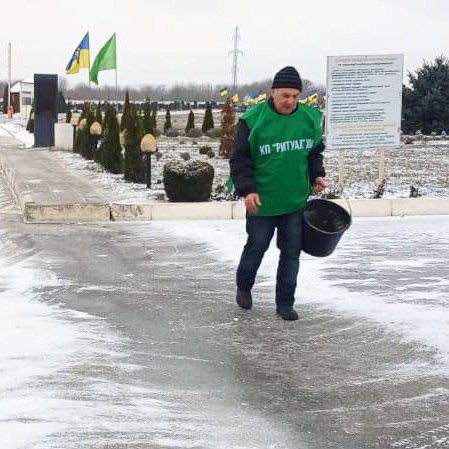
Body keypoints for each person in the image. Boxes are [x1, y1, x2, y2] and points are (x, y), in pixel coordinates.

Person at [229, 66, 326, 321]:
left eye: (295, 96)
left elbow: (314, 151)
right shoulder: (253, 121)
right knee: (256, 247)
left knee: (291, 252)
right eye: (285, 95)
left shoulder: (309, 118)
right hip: (262, 202)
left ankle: (285, 303)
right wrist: (247, 190)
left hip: (294, 201)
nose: (290, 101)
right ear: (272, 93)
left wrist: (317, 174)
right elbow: (239, 160)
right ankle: (244, 285)